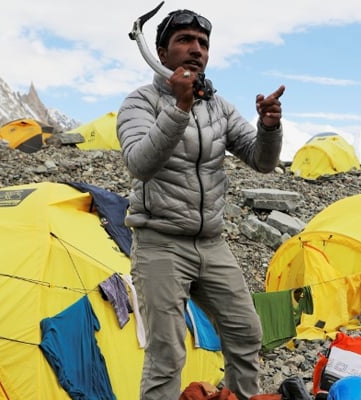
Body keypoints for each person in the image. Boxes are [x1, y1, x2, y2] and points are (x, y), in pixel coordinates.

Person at [116, 7, 285, 400]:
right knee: (167, 352)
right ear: (162, 53)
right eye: (184, 41)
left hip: (212, 242)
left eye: (203, 43)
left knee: (246, 332)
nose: (196, 49)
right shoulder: (138, 104)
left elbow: (262, 162)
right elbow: (140, 163)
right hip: (160, 243)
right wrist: (179, 108)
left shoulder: (219, 107)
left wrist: (269, 127)